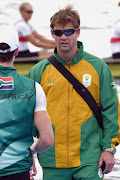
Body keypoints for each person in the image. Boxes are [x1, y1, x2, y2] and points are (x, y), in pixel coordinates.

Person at [29, 5, 120, 180]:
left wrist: (109, 149)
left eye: (69, 32)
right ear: (52, 33)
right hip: (52, 159)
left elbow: (112, 110)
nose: (63, 37)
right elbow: (28, 117)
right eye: (58, 32)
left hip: (89, 158)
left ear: (78, 32)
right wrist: (26, 155)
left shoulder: (98, 67)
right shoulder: (38, 71)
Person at [0, 25, 54, 180]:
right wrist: (30, 151)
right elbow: (48, 139)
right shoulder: (33, 88)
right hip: (19, 170)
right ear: (17, 51)